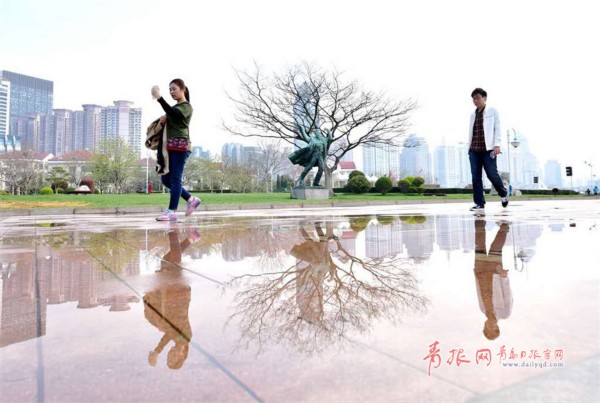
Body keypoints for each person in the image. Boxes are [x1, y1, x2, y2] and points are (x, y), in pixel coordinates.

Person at [144, 228, 200, 369]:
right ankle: (173, 229)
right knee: (172, 262)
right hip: (177, 295)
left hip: (172, 295)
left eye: (169, 357)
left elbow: (169, 333)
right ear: (182, 356)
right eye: (173, 358)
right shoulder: (185, 338)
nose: (171, 355)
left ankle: (191, 238)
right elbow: (170, 333)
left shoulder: (179, 340)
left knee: (167, 261)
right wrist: (157, 351)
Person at [151, 79, 201, 221]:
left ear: (182, 89)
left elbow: (175, 114)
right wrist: (163, 122)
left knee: (175, 178)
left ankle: (171, 211)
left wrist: (159, 98)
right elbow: (172, 115)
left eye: (174, 89)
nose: (171, 92)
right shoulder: (174, 108)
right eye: (170, 90)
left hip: (181, 146)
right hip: (170, 147)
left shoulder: (186, 107)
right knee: (166, 179)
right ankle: (191, 199)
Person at [468, 88, 509, 211]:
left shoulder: (492, 111)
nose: (475, 100)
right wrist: (469, 149)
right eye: (473, 99)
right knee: (476, 177)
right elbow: (472, 132)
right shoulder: (472, 115)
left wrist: (497, 145)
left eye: (478, 98)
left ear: (485, 98)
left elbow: (498, 128)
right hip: (474, 150)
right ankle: (479, 203)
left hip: (488, 149)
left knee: (492, 174)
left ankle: (503, 193)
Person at [473, 219, 512, 340]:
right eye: (492, 328)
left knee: (479, 245)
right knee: (496, 248)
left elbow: (479, 292)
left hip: (480, 272)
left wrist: (476, 274)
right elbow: (508, 294)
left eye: (486, 328)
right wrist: (504, 277)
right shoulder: (505, 313)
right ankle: (504, 227)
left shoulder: (483, 310)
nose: (488, 325)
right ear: (497, 327)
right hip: (495, 274)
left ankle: (479, 221)